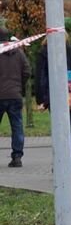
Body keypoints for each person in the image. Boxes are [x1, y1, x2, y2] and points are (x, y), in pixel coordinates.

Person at [35, 33, 71, 183]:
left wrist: (42, 100)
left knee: (63, 133)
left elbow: (40, 76)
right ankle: (64, 165)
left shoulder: (44, 53)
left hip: (55, 95)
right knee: (70, 130)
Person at [0, 28, 31, 168]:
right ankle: (17, 156)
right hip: (15, 95)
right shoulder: (19, 52)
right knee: (17, 126)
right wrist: (20, 87)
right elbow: (27, 71)